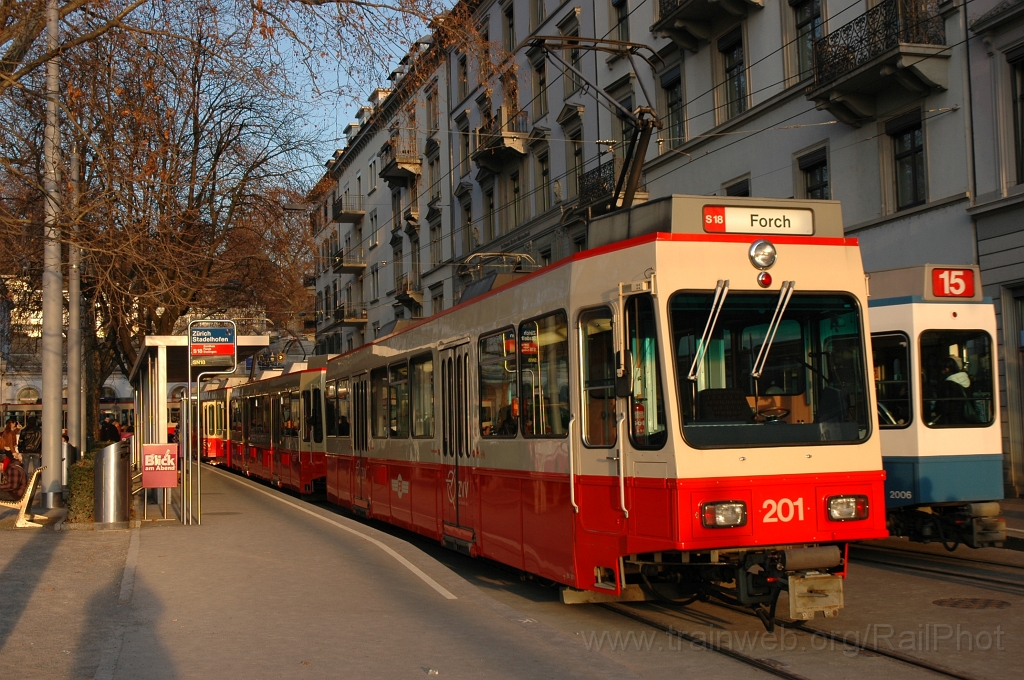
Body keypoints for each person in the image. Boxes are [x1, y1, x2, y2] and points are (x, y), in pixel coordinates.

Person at [937, 357, 971, 424]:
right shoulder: (966, 379)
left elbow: (945, 405)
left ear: (947, 369)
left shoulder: (948, 384)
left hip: (952, 418)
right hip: (966, 417)